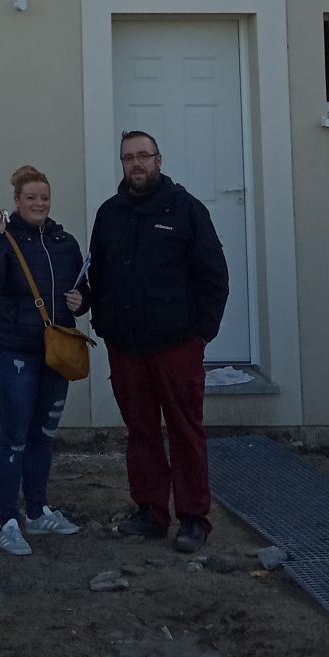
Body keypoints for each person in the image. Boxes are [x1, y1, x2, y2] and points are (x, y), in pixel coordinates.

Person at [85, 131, 229, 554]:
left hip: (177, 346)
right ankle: (150, 511)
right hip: (126, 347)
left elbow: (214, 277)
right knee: (141, 432)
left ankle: (193, 518)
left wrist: (201, 335)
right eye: (128, 157)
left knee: (185, 432)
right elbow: (98, 274)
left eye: (143, 156)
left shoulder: (187, 210)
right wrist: (102, 319)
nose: (136, 163)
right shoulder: (109, 214)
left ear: (159, 160)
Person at [0, 164, 88, 556]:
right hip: (14, 349)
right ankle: (7, 520)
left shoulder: (64, 242)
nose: (39, 204)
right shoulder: (6, 239)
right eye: (31, 198)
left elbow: (83, 289)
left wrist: (82, 300)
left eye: (45, 197)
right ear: (17, 201)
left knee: (44, 435)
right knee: (14, 436)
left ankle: (37, 512)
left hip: (56, 352)